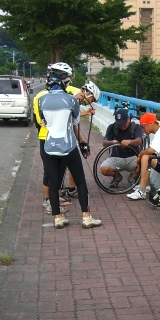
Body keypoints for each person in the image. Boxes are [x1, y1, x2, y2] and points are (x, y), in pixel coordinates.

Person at [38, 64, 102, 229]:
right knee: (80, 181)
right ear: (64, 80)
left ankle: (58, 218)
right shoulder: (71, 100)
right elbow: (75, 120)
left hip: (49, 146)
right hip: (68, 146)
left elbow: (44, 122)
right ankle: (86, 217)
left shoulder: (41, 100)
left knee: (54, 183)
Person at [126, 112, 160, 201]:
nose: (142, 130)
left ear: (151, 124)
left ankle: (141, 191)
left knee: (146, 158)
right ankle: (143, 186)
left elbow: (150, 150)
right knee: (147, 157)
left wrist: (140, 154)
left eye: (143, 127)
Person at [100, 107, 143, 188]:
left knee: (145, 161)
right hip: (116, 157)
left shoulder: (136, 127)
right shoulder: (112, 127)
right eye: (119, 124)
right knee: (104, 169)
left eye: (124, 123)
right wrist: (112, 142)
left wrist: (129, 142)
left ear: (128, 119)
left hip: (133, 158)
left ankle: (133, 176)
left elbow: (139, 141)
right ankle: (117, 177)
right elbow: (104, 143)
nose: (122, 126)